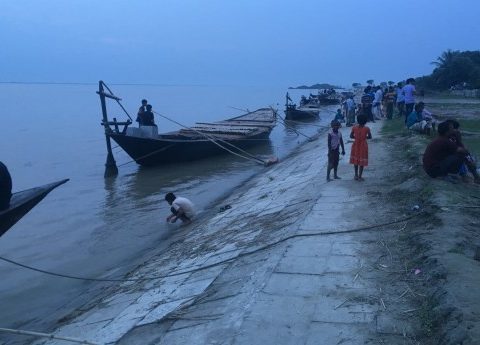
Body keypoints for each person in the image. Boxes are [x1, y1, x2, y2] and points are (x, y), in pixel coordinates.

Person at [349, 114, 372, 181]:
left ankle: (355, 175)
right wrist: (364, 137)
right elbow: (370, 137)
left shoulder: (354, 127)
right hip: (363, 145)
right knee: (361, 161)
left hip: (356, 144)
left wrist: (356, 137)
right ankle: (360, 176)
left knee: (356, 160)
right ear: (365, 121)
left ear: (358, 120)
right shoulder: (367, 128)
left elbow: (351, 136)